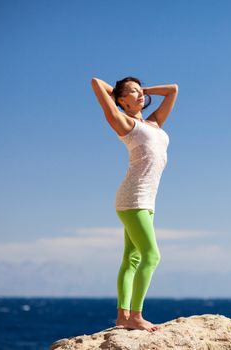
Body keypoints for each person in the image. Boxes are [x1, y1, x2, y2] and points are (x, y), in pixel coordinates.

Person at [91, 76, 178, 331]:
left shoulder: (153, 123)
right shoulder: (123, 123)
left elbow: (173, 90)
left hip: (147, 200)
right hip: (133, 198)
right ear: (119, 100)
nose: (139, 95)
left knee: (131, 257)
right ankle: (136, 317)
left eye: (141, 91)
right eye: (132, 92)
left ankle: (122, 317)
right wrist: (118, 93)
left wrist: (139, 91)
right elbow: (97, 83)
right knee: (152, 256)